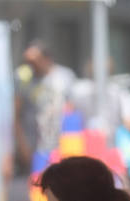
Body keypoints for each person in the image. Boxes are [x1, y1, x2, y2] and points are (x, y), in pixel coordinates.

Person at [22, 40, 77, 172]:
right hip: (36, 146)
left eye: (35, 61)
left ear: (46, 59)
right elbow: (18, 113)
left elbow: (73, 108)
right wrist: (22, 145)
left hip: (63, 144)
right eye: (28, 62)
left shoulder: (65, 77)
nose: (31, 65)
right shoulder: (25, 81)